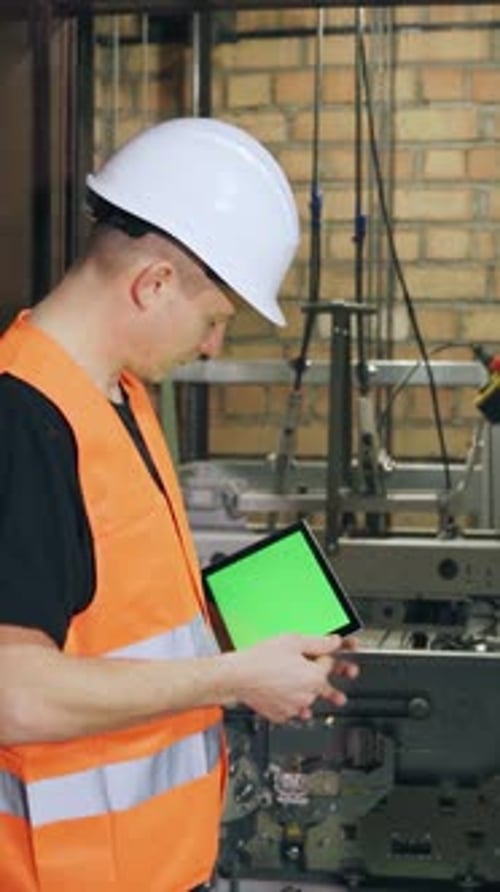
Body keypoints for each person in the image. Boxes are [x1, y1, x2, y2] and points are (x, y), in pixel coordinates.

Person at [0, 117, 358, 892]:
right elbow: (14, 695)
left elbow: (116, 625)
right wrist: (232, 677)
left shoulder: (118, 397)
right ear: (154, 283)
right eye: (215, 319)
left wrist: (251, 644)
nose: (212, 346)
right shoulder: (21, 423)